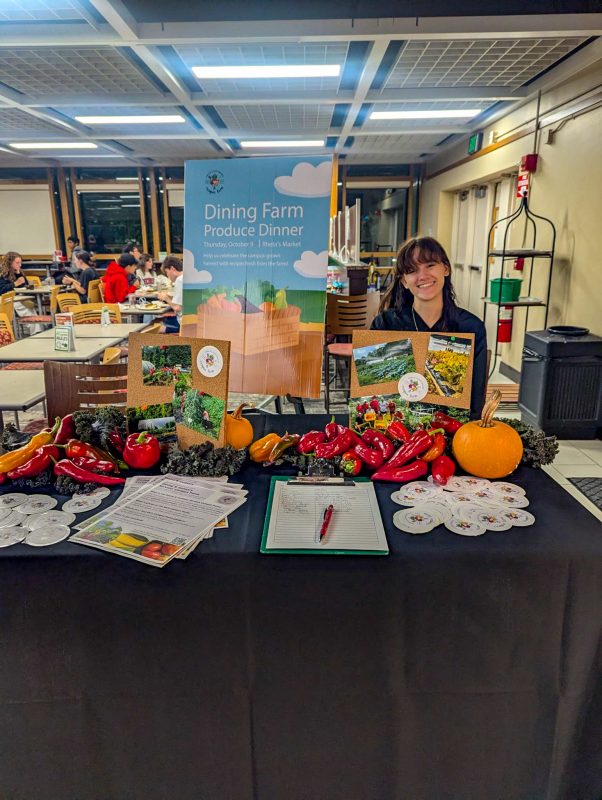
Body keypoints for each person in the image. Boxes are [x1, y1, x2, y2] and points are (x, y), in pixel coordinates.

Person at [371, 236, 487, 420]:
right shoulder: (385, 324)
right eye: (412, 270)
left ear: (446, 269)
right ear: (404, 281)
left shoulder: (470, 327)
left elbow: (475, 398)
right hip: (398, 431)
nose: (422, 275)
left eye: (430, 265)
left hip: (452, 430)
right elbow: (373, 394)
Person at [0, 251, 44, 333]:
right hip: (8, 300)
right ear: (10, 263)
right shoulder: (2, 274)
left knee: (31, 308)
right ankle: (35, 331)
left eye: (20, 262)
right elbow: (1, 290)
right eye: (17, 263)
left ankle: (37, 330)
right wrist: (15, 284)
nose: (20, 265)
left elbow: (24, 284)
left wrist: (19, 274)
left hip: (20, 297)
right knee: (25, 309)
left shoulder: (17, 271)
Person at [157, 255, 183, 334]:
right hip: (193, 320)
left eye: (167, 273)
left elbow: (177, 308)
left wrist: (166, 298)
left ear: (172, 269)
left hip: (183, 323)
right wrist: (170, 297)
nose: (168, 276)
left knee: (154, 326)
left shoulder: (180, 280)